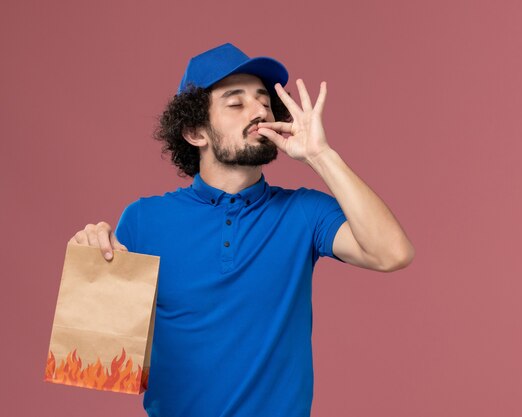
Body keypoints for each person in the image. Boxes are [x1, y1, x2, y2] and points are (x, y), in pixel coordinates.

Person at [68, 43, 414, 417]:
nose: (260, 112)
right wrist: (89, 266)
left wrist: (321, 156)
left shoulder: (304, 212)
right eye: (236, 104)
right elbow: (100, 362)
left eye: (264, 101)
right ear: (195, 132)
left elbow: (392, 253)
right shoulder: (143, 220)